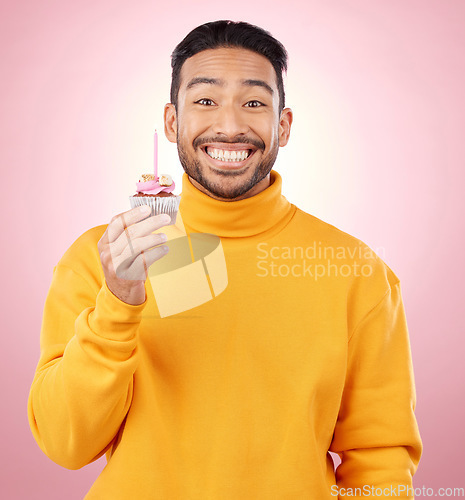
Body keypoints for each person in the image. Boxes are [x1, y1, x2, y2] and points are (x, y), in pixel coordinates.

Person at [28, 20, 422, 499]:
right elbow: (64, 443)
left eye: (254, 102)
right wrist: (117, 304)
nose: (231, 126)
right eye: (205, 100)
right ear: (173, 122)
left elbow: (380, 459)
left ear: (284, 125)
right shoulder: (102, 260)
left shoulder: (356, 273)